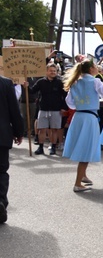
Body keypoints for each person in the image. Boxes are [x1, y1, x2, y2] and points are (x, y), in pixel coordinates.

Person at [62, 60, 103, 192]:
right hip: (89, 117)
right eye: (95, 66)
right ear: (91, 69)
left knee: (83, 145)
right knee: (86, 148)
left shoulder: (75, 82)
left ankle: (83, 176)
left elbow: (69, 102)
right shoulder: (94, 81)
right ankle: (77, 183)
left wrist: (80, 105)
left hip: (79, 116)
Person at [0, 74, 24, 223]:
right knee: (1, 170)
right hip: (1, 135)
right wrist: (18, 131)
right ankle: (1, 201)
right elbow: (14, 110)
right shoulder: (6, 83)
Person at [29, 63, 66, 155]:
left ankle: (53, 147)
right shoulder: (41, 82)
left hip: (56, 109)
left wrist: (63, 108)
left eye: (54, 71)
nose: (53, 72)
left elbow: (65, 96)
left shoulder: (60, 82)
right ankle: (40, 147)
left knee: (54, 129)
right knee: (41, 129)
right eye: (51, 71)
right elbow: (32, 91)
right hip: (43, 109)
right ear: (46, 72)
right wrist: (25, 86)